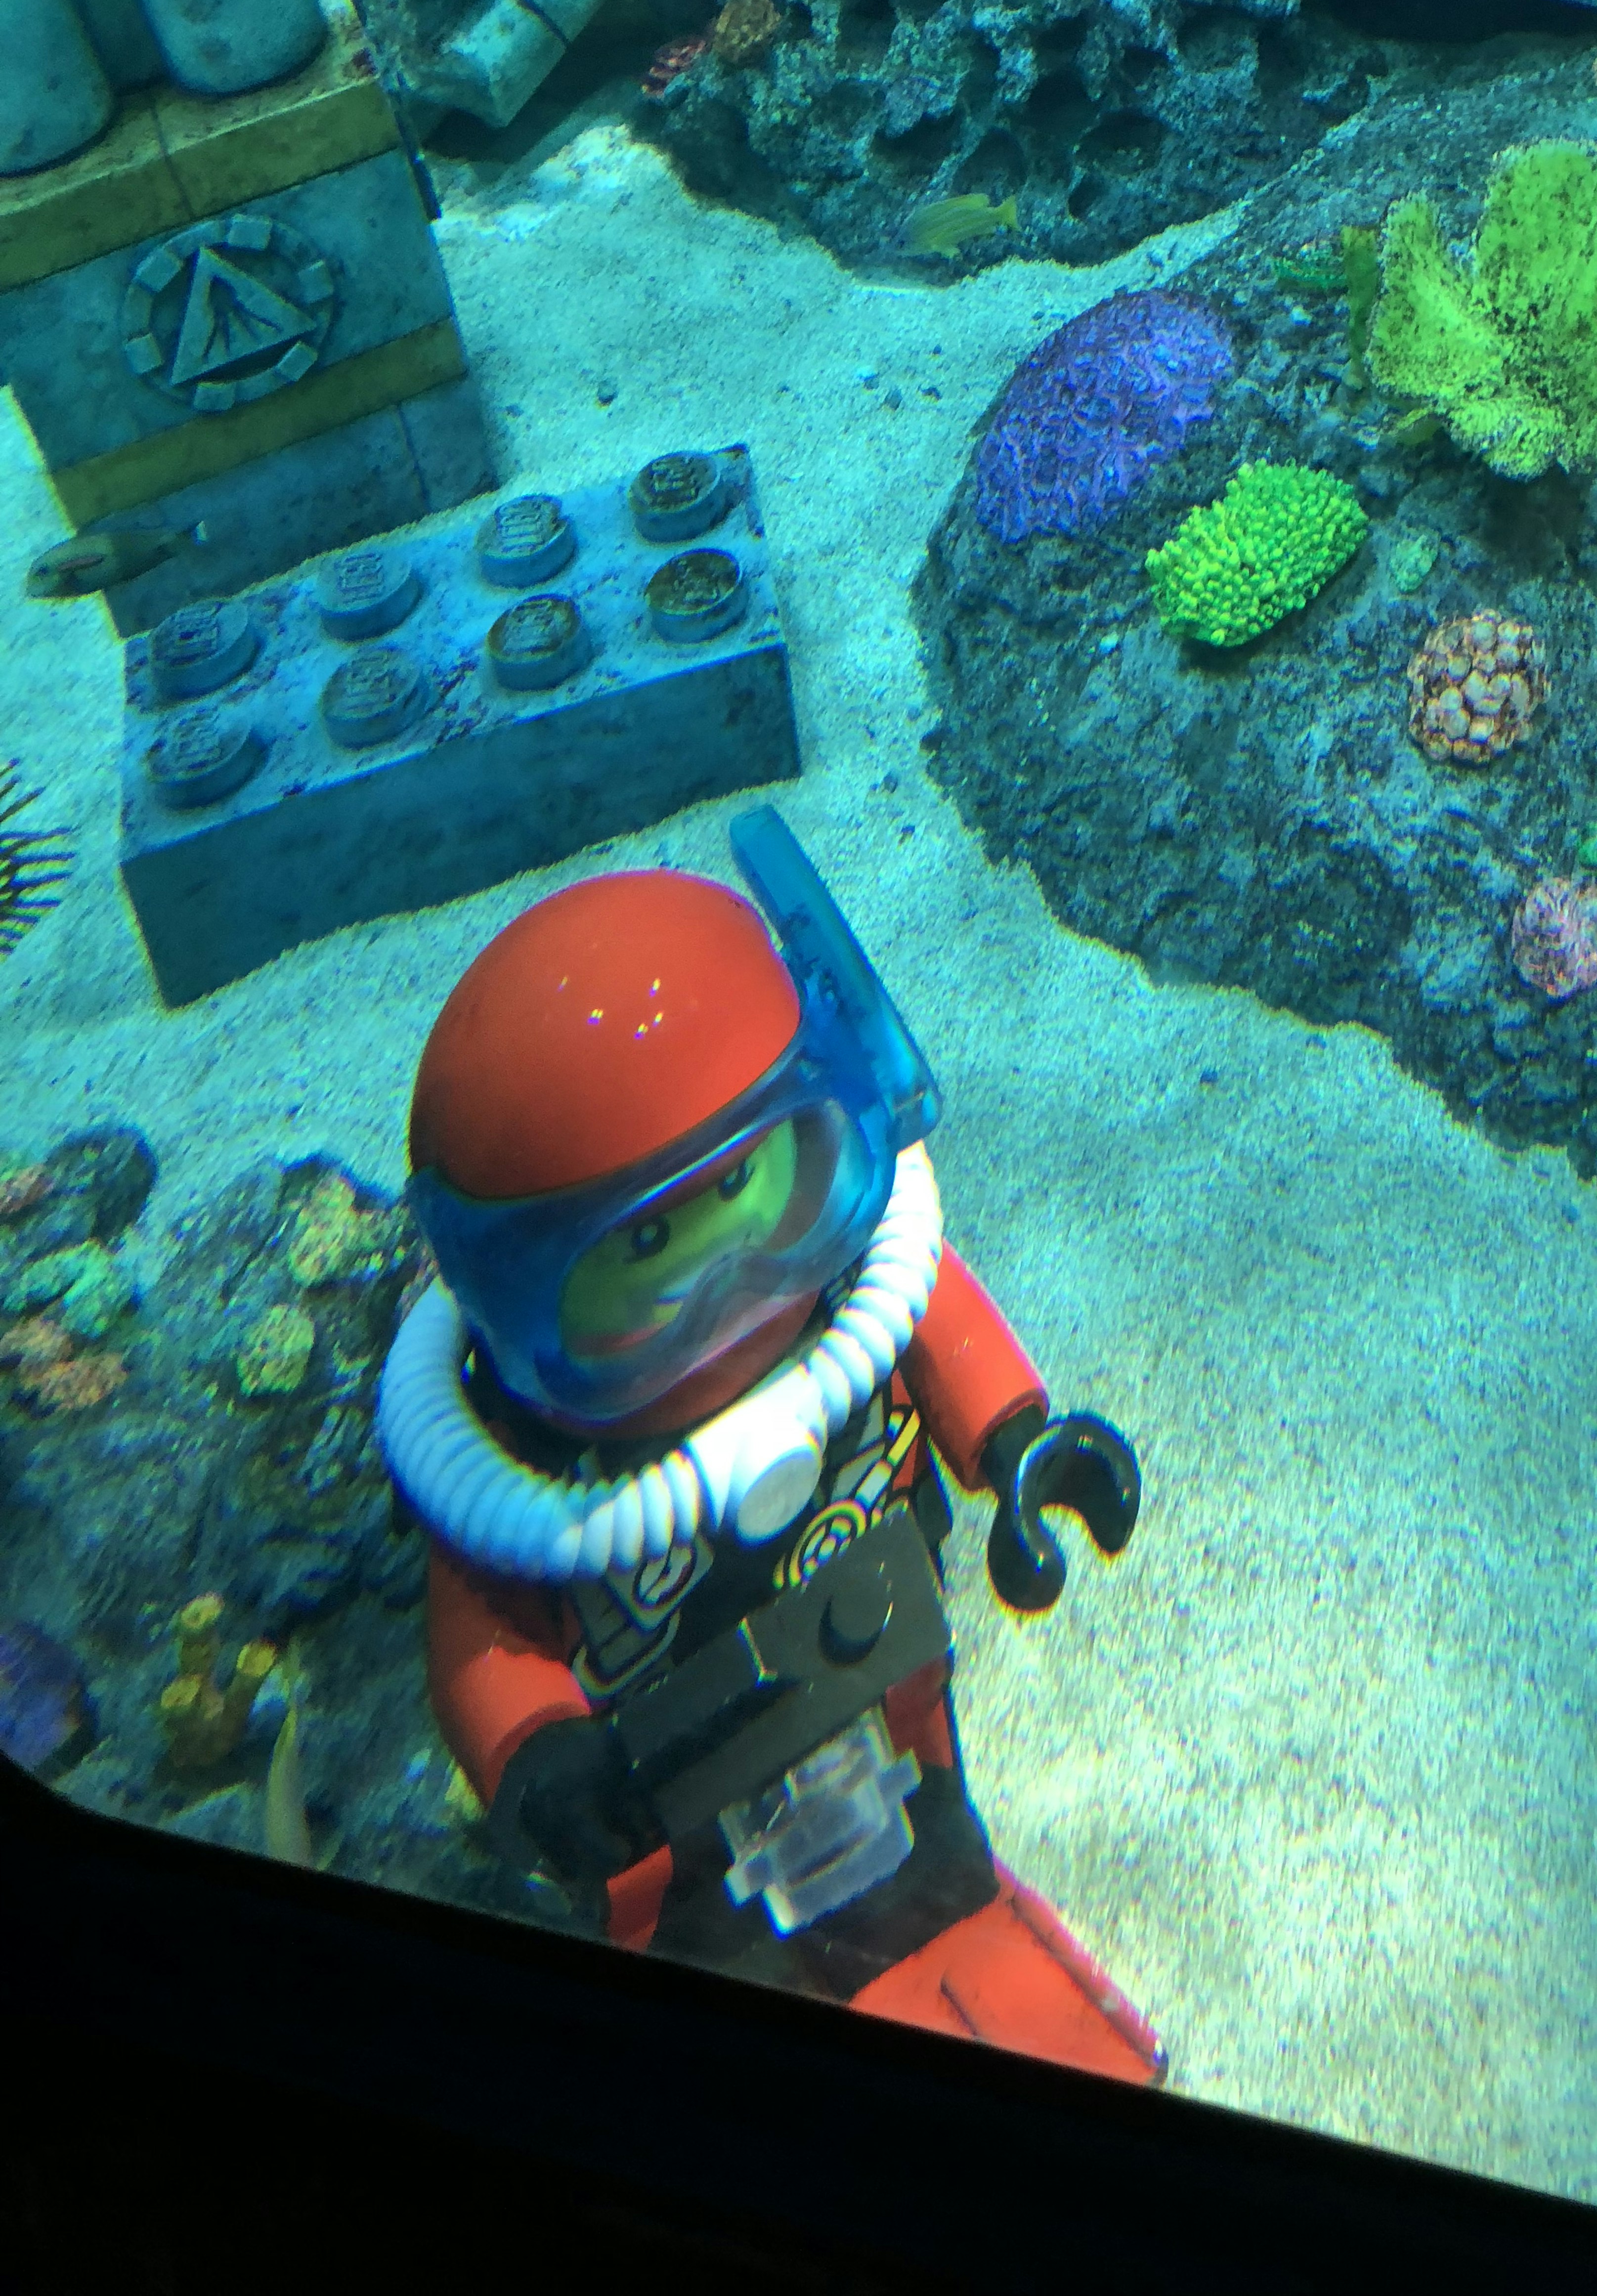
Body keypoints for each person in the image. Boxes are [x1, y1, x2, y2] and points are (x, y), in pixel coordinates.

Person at [378, 807, 1161, 2081]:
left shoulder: (860, 1284)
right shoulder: (519, 1460)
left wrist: (1022, 1445)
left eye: (751, 1190)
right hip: (664, 1770)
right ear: (521, 1283)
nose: (729, 1288)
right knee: (690, 1925)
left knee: (925, 1803)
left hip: (879, 1653)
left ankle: (949, 1904)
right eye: (647, 1253)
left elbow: (937, 1321)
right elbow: (484, 1624)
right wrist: (538, 1755)